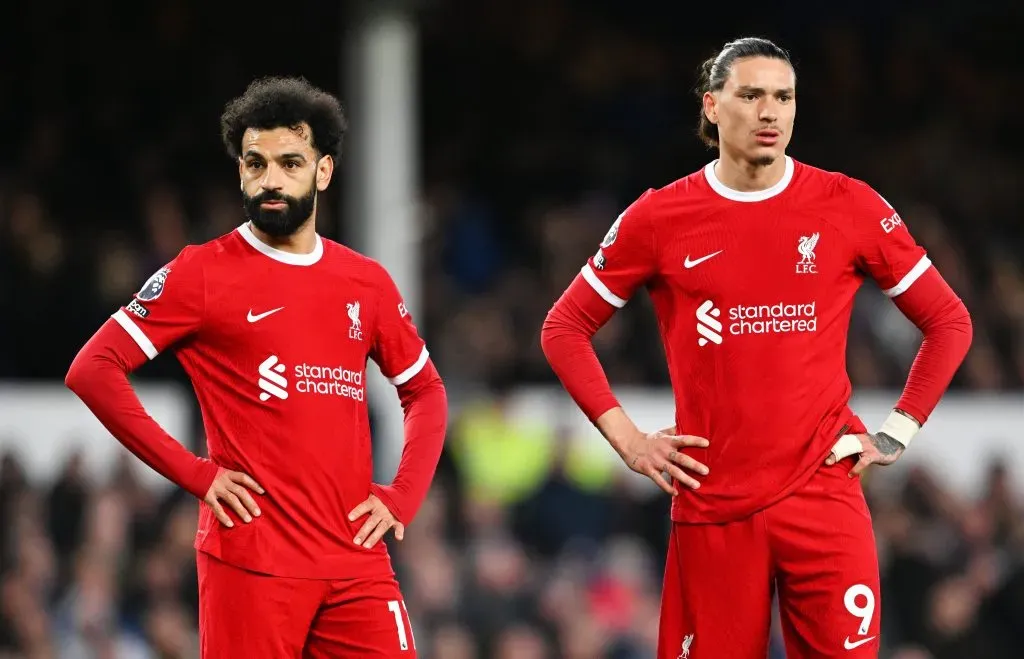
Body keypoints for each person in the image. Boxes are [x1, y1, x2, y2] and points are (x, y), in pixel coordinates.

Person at [540, 37, 973, 659]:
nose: (770, 112)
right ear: (712, 107)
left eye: (784, 97)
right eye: (751, 96)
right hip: (713, 508)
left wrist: (896, 430)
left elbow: (949, 320)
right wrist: (631, 444)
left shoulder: (847, 205)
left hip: (825, 496)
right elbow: (563, 329)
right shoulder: (660, 217)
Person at [65, 76, 447, 658]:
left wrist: (401, 497)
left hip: (356, 563)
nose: (270, 180)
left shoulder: (364, 281)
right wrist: (196, 474)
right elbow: (93, 368)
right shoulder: (201, 273)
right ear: (240, 170)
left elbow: (425, 391)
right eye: (255, 163)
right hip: (252, 562)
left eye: (290, 163)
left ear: (323, 171)